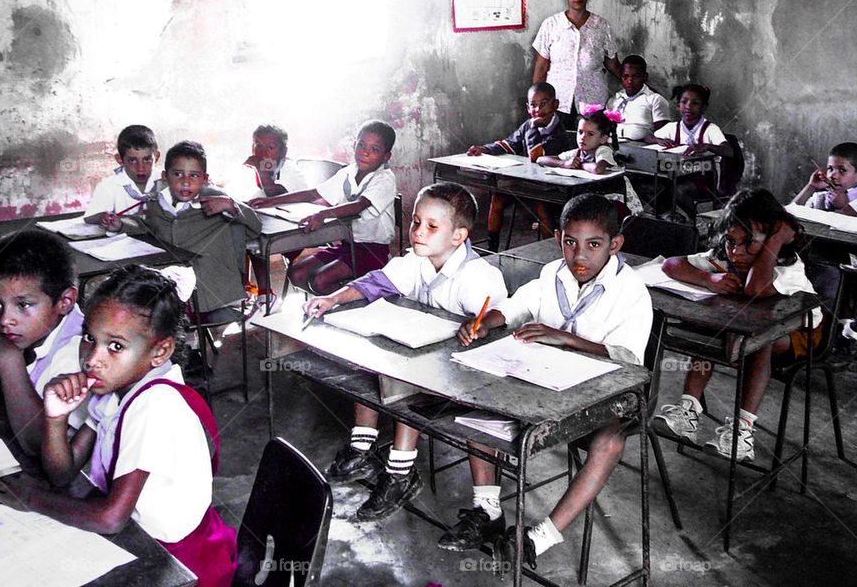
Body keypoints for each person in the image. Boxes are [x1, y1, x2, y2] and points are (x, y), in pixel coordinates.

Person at [0, 265, 237, 586]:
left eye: (116, 346)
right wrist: (55, 419)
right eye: (89, 338)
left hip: (181, 564)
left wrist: (33, 500)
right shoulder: (117, 389)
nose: (92, 358)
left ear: (160, 350)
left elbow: (111, 517)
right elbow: (61, 473)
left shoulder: (154, 406)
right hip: (141, 540)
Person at [451, 194, 652, 567]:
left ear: (615, 244)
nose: (579, 255)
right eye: (570, 242)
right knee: (478, 403)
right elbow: (515, 307)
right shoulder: (552, 274)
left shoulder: (631, 292)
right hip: (546, 389)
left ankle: (538, 539)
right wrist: (484, 324)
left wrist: (567, 339)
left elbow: (628, 360)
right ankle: (487, 509)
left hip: (606, 397)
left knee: (610, 442)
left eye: (594, 245)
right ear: (558, 237)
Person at [305, 183, 508, 520]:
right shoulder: (416, 261)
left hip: (468, 378)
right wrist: (332, 299)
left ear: (458, 236)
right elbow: (374, 283)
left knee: (404, 378)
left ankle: (400, 473)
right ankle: (364, 447)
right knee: (375, 354)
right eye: (415, 222)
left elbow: (499, 325)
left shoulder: (478, 276)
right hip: (425, 367)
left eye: (431, 226)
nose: (417, 232)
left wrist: (480, 324)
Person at [653, 188, 821, 462]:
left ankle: (743, 432)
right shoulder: (725, 257)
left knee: (759, 340)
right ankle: (688, 411)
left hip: (799, 337)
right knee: (716, 327)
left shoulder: (787, 266)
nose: (736, 252)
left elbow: (756, 288)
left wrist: (775, 241)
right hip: (738, 332)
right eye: (731, 241)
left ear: (774, 240)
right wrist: (708, 280)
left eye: (750, 243)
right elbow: (671, 265)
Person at [252, 120, 397, 295]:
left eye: (374, 149)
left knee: (319, 281)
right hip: (346, 246)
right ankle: (337, 304)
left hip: (372, 251)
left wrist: (323, 214)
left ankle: (359, 301)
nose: (365, 152)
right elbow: (314, 193)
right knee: (296, 274)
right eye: (361, 145)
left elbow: (360, 205)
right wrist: (272, 201)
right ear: (354, 145)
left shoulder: (385, 179)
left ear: (386, 156)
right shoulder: (348, 172)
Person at [0, 229, 84, 453]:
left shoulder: (79, 353)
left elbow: (40, 446)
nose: (5, 320)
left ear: (65, 301)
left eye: (23, 305)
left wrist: (8, 359)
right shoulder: (31, 329)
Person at [138, 141, 262, 315]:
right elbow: (146, 232)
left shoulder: (215, 199)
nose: (186, 182)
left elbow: (255, 226)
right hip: (169, 285)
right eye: (178, 174)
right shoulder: (155, 203)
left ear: (205, 179)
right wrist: (119, 225)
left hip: (211, 289)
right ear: (165, 177)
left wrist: (231, 205)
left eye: (194, 175)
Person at [791, 142, 857, 353]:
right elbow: (791, 216)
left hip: (854, 264)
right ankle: (805, 327)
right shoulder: (820, 196)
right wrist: (810, 187)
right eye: (830, 169)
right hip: (815, 258)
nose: (833, 175)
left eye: (842, 170)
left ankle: (830, 332)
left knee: (827, 274)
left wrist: (844, 207)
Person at [468, 83, 571, 252]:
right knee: (498, 197)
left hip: (550, 187)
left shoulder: (558, 132)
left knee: (542, 207)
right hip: (527, 182)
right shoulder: (528, 124)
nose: (538, 109)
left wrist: (532, 127)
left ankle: (550, 251)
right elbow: (509, 144)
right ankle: (492, 248)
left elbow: (536, 155)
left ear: (555, 104)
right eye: (533, 105)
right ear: (528, 107)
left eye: (544, 103)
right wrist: (484, 149)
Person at [227, 124, 310, 311]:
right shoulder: (256, 169)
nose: (262, 152)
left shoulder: (289, 168)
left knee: (253, 235)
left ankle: (265, 295)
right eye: (257, 145)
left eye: (270, 148)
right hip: (269, 226)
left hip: (296, 231)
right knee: (238, 229)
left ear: (284, 151)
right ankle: (244, 288)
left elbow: (274, 192)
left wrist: (260, 170)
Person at [532, 0, 621, 128]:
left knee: (591, 145)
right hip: (558, 100)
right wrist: (535, 102)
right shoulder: (551, 25)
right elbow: (541, 65)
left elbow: (612, 64)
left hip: (593, 100)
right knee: (558, 146)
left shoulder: (601, 26)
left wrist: (640, 87)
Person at [537, 105, 643, 216]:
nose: (583, 137)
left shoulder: (603, 150)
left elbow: (598, 168)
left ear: (603, 138)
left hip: (615, 201)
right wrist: (563, 163)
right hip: (594, 200)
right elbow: (541, 159)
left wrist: (580, 164)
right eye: (580, 132)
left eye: (590, 134)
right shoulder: (577, 152)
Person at [647, 84, 734, 218]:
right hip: (675, 176)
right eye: (684, 102)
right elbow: (648, 137)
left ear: (703, 107)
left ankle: (693, 220)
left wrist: (707, 146)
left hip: (704, 181)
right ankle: (670, 216)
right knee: (648, 186)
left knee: (679, 190)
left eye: (695, 103)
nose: (688, 106)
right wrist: (657, 140)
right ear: (678, 105)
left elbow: (728, 151)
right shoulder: (672, 127)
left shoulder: (710, 129)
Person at [83, 125, 162, 231]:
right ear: (119, 159)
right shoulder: (109, 185)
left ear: (157, 157)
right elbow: (89, 217)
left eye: (147, 160)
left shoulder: (169, 181)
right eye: (132, 160)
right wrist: (103, 217)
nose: (141, 168)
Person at [604, 54, 671, 141]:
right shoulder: (615, 100)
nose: (630, 81)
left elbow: (663, 136)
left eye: (636, 76)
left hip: (643, 150)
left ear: (645, 77)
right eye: (625, 76)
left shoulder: (655, 100)